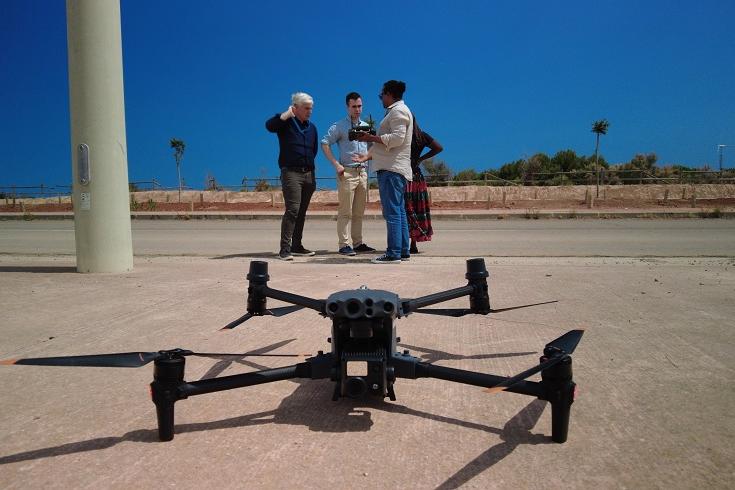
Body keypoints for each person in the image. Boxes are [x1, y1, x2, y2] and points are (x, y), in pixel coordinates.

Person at [352, 80, 413, 264]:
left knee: (392, 212)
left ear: (389, 94)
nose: (380, 99)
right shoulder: (397, 111)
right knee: (399, 211)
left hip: (391, 169)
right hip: (395, 169)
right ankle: (403, 250)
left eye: (381, 95)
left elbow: (397, 138)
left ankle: (393, 253)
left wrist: (371, 138)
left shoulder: (398, 111)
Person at [321, 92, 376, 256]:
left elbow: (374, 146)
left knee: (359, 212)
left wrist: (367, 156)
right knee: (345, 211)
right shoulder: (339, 126)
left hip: (362, 173)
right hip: (347, 173)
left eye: (359, 106)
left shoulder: (366, 126)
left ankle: (357, 243)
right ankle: (344, 245)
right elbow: (325, 143)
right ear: (347, 107)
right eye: (354, 106)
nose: (357, 109)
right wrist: (336, 164)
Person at [265, 92, 318, 261]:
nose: (310, 111)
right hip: (291, 173)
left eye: (311, 108)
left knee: (301, 212)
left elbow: (314, 150)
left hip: (309, 174)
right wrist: (286, 114)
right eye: (306, 108)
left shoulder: (312, 128)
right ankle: (285, 248)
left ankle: (297, 246)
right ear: (296, 108)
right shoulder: (285, 124)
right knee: (293, 210)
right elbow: (270, 126)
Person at [406, 117, 443, 254]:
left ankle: (403, 243)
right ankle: (413, 244)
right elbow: (438, 148)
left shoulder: (402, 136)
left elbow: (439, 147)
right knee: (416, 209)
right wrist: (421, 158)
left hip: (405, 177)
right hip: (416, 177)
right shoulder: (421, 135)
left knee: (406, 210)